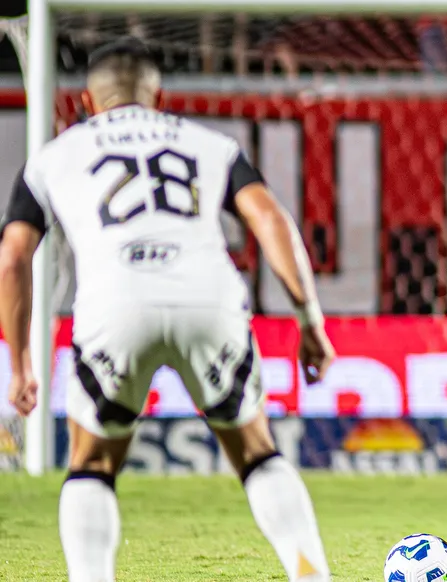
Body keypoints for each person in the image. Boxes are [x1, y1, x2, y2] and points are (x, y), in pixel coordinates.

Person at [0, 37, 334, 582]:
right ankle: (311, 574)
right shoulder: (208, 143)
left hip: (115, 304)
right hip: (208, 297)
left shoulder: (57, 155)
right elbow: (272, 220)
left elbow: (13, 256)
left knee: (93, 464)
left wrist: (19, 365)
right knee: (255, 453)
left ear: (88, 102)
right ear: (161, 99)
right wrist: (309, 322)